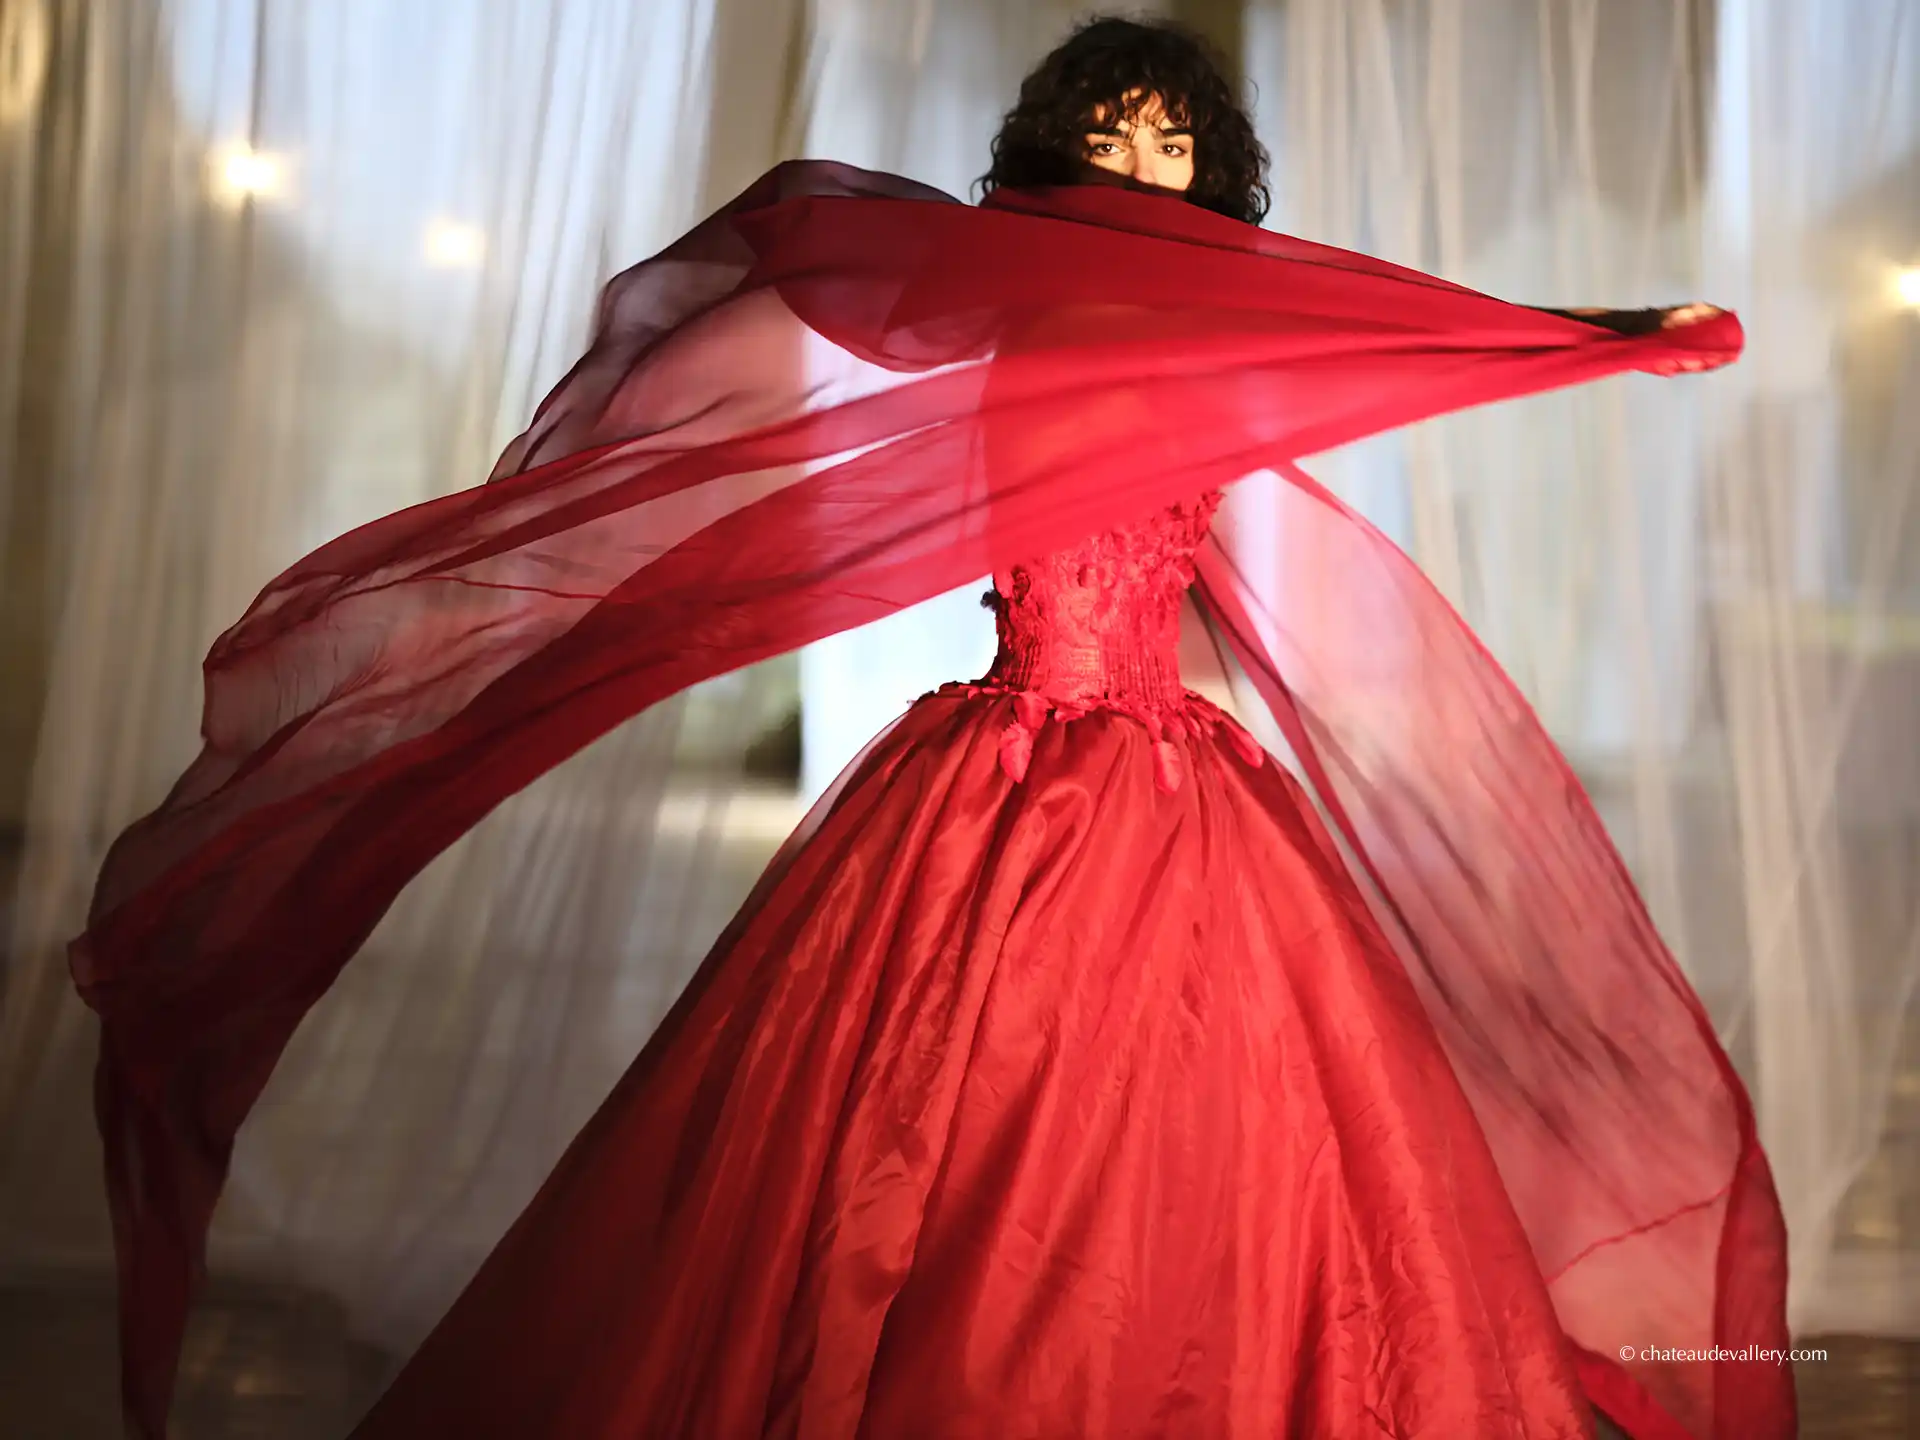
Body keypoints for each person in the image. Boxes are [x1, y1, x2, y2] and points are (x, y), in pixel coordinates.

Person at [74, 17, 1791, 1440]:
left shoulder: (1227, 334)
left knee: (1213, 1155)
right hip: (995, 767)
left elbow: (1393, 340)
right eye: (1110, 138)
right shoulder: (996, 314)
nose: (1139, 164)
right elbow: (799, 336)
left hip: (1175, 797)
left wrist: (1598, 342)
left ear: (1210, 170)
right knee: (919, 1136)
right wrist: (648, 391)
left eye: (1169, 144)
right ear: (1059, 155)